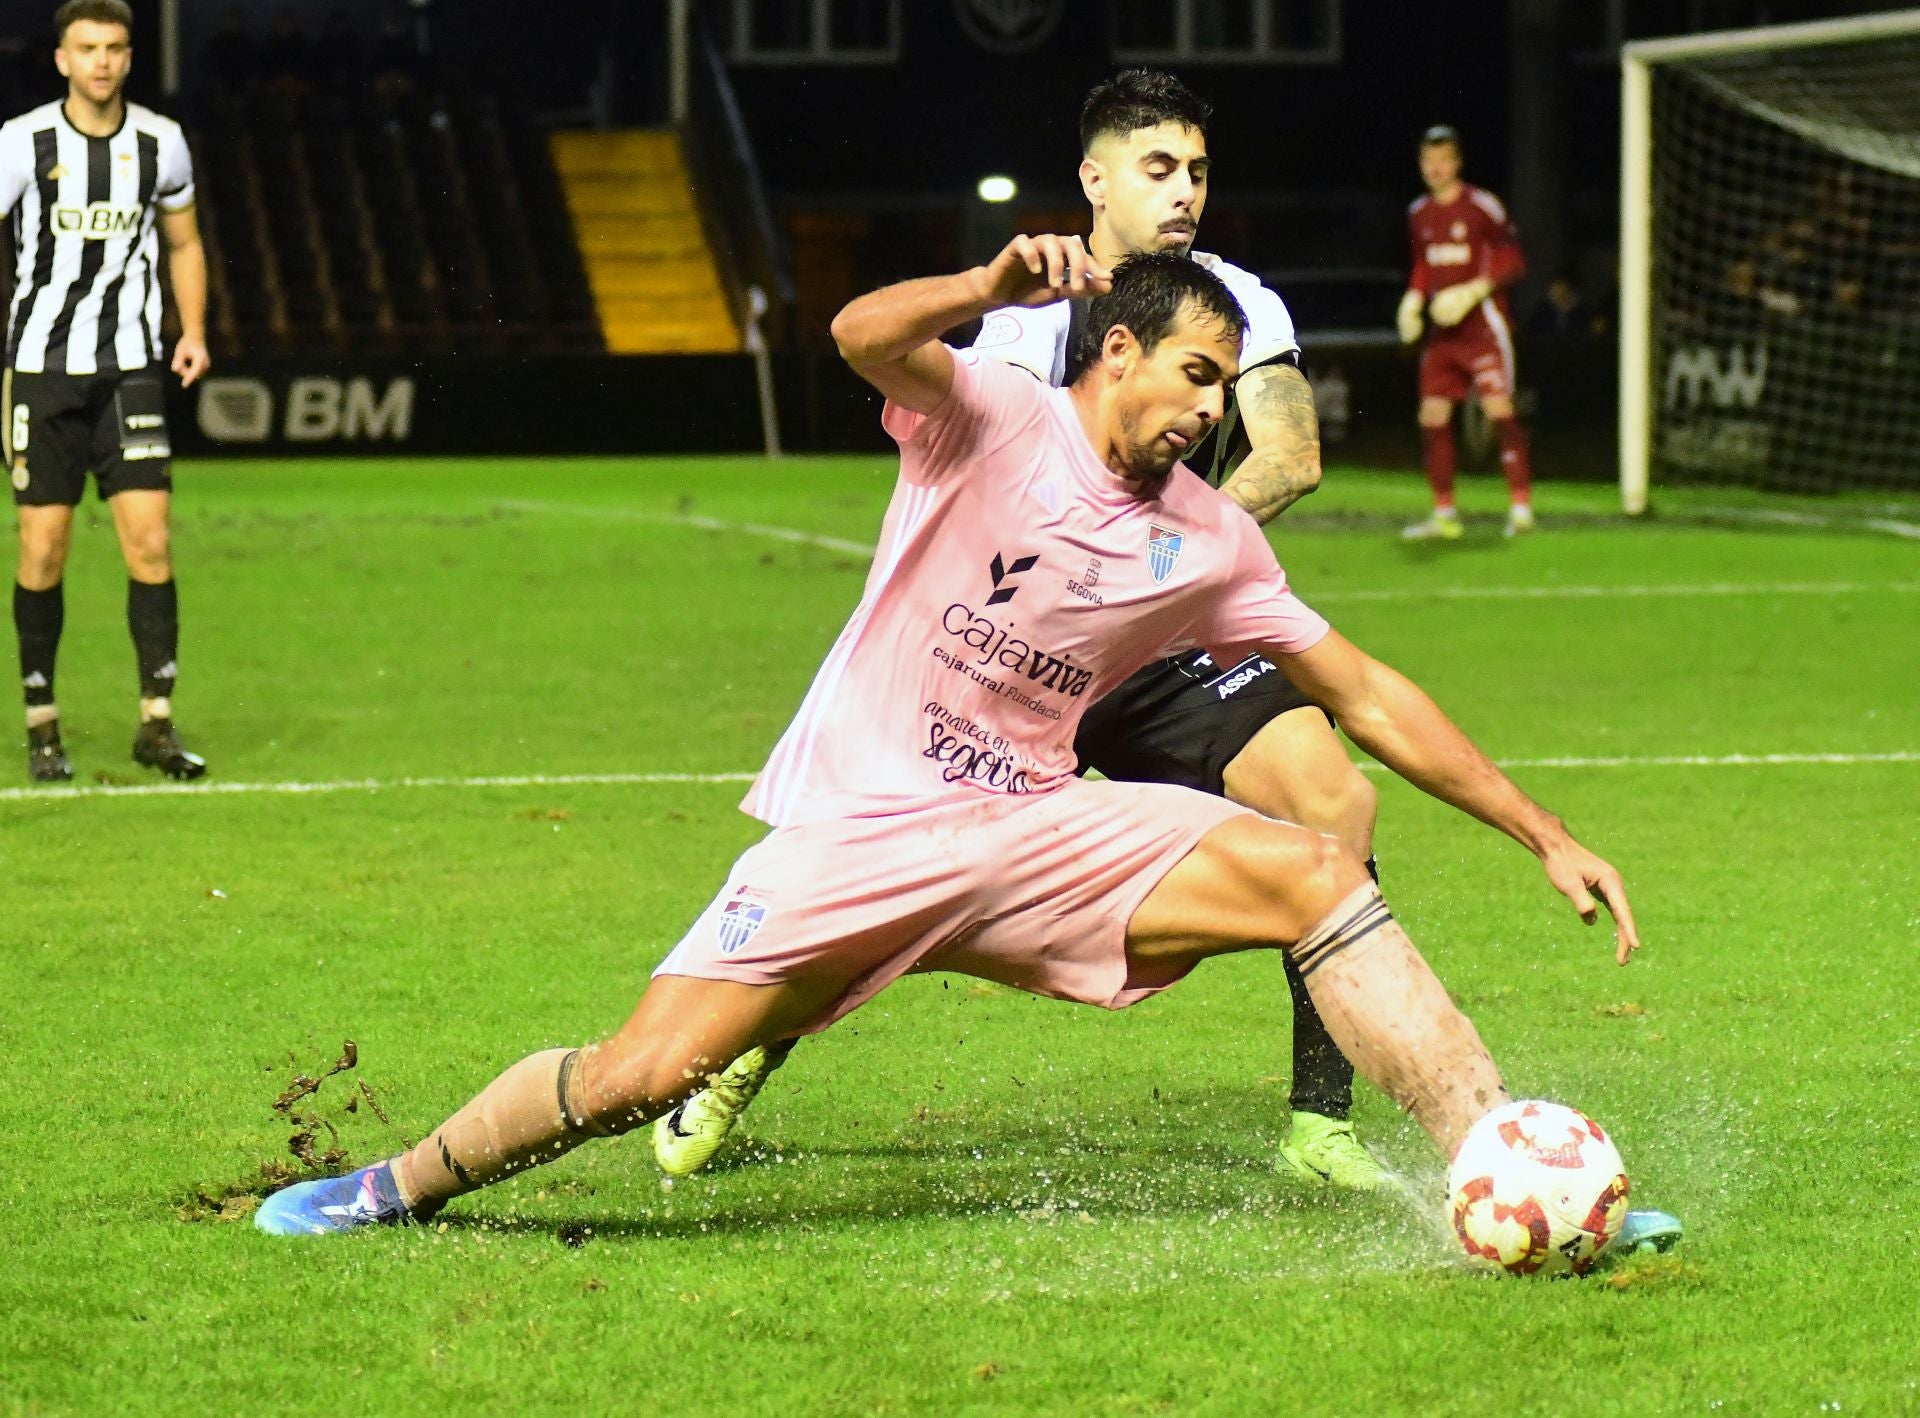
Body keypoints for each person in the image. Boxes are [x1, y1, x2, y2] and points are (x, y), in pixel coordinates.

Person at [256, 241, 1644, 1239]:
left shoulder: (1208, 538)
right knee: (639, 1074)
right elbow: (861, 334)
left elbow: (1371, 692)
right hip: (862, 830)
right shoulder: (992, 417)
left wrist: (1545, 831)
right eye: (1198, 376)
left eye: (1226, 385)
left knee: (1320, 868)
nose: (1216, 411)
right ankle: (396, 1182)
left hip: (1035, 829)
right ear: (1118, 351)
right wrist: (985, 289)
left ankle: (1504, 1158)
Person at [655, 69, 1388, 1191]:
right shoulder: (1025, 320)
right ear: (1094, 179)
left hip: (1147, 640)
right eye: (1157, 169)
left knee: (1332, 800)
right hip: (1004, 655)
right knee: (877, 869)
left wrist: (1157, 573)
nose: (1184, 190)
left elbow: (1291, 454)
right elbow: (979, 473)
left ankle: (1320, 1126)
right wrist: (1083, 578)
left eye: (1197, 169)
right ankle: (742, 1050)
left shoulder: (1239, 301)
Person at [3, 0, 211, 782]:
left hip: (131, 369)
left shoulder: (162, 143)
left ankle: (155, 725)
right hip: (41, 372)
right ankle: (41, 722)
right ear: (61, 59)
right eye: (86, 48)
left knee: (151, 541)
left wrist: (191, 331)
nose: (101, 61)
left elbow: (184, 241)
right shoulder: (22, 143)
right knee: (43, 549)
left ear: (129, 58)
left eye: (115, 48)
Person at [1397, 126, 1533, 540]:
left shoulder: (1482, 207)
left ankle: (1521, 506)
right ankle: (1444, 515)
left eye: (1444, 159)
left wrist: (1475, 290)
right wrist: (1414, 299)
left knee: (1498, 411)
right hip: (1443, 335)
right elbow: (1424, 265)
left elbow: (1513, 261)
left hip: (1482, 327)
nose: (1436, 168)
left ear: (1457, 163)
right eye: (1428, 160)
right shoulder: (1418, 213)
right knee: (1433, 416)